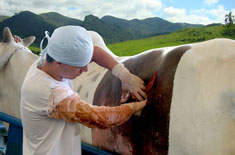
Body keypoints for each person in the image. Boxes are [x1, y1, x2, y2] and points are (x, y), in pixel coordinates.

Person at [20, 25, 147, 155]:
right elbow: (101, 118)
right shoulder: (49, 92)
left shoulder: (52, 57)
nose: (86, 69)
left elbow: (95, 52)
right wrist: (135, 107)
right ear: (59, 64)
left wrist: (124, 75)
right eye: (80, 67)